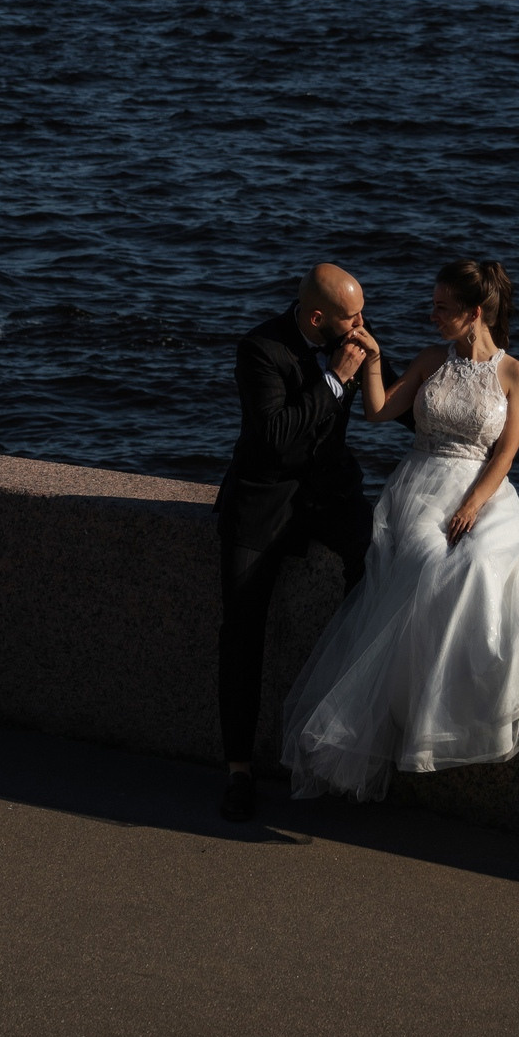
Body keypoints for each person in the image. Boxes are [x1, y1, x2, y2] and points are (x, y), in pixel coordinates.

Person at [279, 259, 519, 802]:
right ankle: (412, 709)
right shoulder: (431, 360)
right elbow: (378, 412)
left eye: (442, 308)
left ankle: (467, 710)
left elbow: (507, 452)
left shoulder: (515, 374)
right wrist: (373, 361)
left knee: (475, 566)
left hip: (483, 492)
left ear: (474, 314)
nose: (432, 315)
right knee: (425, 561)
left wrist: (473, 502)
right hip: (421, 485)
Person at [216, 263, 377, 822]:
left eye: (360, 314)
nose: (361, 325)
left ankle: (353, 742)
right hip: (264, 502)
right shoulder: (261, 348)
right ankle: (238, 768)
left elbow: (401, 407)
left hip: (331, 497)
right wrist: (334, 379)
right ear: (317, 318)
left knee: (378, 571)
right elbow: (275, 439)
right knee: (241, 629)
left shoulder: (353, 340)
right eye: (351, 316)